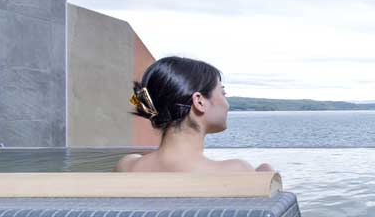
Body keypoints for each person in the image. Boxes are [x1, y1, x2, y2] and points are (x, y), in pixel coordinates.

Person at [115, 56, 273, 173]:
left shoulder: (127, 166)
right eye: (223, 93)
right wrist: (266, 172)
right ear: (199, 101)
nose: (226, 104)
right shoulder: (236, 171)